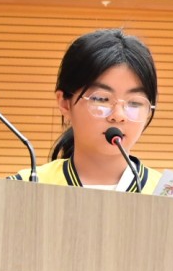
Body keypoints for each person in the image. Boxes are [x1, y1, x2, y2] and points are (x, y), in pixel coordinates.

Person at [10, 29, 161, 191]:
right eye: (101, 99)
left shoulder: (170, 194)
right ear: (65, 103)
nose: (118, 115)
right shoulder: (23, 186)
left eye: (135, 103)